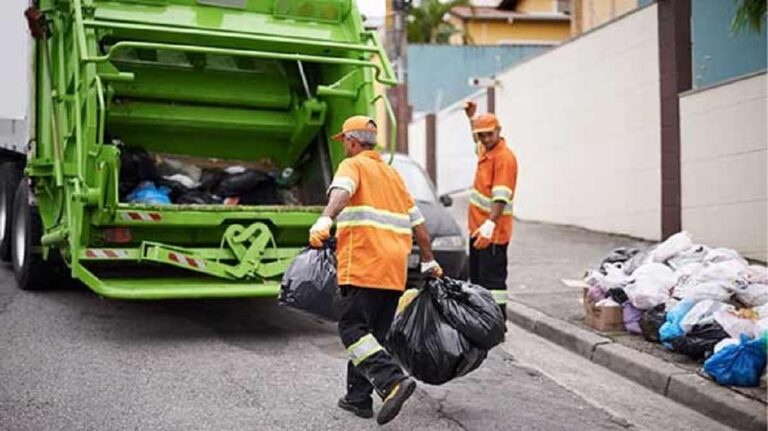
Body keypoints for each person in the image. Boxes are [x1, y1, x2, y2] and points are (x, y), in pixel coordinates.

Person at [308, 115, 442, 425]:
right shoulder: (393, 175)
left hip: (364, 264)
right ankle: (358, 399)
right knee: (372, 337)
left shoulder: (353, 166)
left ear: (353, 143)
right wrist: (428, 260)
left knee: (352, 329)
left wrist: (325, 218)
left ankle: (393, 380)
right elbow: (419, 224)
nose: (344, 148)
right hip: (394, 270)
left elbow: (340, 193)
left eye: (345, 143)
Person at [463, 101, 518, 310]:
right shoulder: (486, 151)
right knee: (478, 280)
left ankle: (496, 322)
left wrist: (490, 224)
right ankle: (481, 321)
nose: (485, 139)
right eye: (481, 135)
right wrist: (471, 118)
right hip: (479, 230)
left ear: (499, 131)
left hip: (493, 233)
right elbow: (476, 139)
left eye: (489, 134)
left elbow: (501, 196)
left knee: (493, 283)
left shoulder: (504, 158)